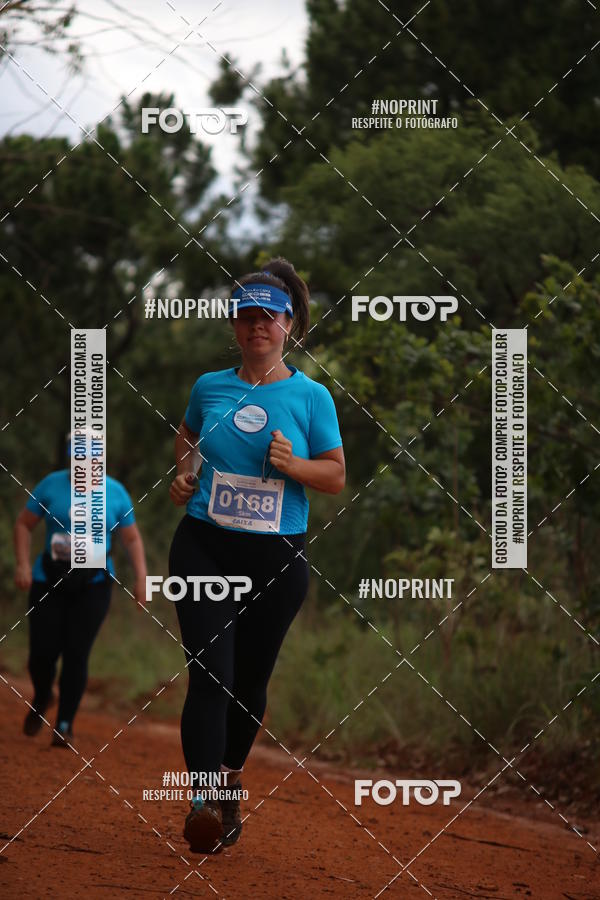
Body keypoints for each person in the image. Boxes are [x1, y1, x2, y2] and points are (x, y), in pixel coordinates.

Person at [169, 257, 345, 853]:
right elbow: (188, 434)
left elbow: (335, 477)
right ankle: (200, 801)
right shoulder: (209, 386)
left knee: (248, 683)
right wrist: (184, 475)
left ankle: (228, 782)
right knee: (210, 674)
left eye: (268, 318)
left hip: (275, 557)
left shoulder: (312, 396)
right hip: (203, 546)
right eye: (246, 318)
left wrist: (294, 465)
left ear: (288, 325)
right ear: (234, 326)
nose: (255, 328)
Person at [13, 439, 147, 747]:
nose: (84, 467)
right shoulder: (51, 485)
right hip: (48, 579)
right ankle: (44, 695)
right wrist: (22, 564)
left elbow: (132, 539)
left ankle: (64, 724)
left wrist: (142, 578)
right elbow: (23, 524)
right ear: (70, 459)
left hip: (94, 584)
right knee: (41, 655)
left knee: (77, 653)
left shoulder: (116, 493)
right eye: (78, 460)